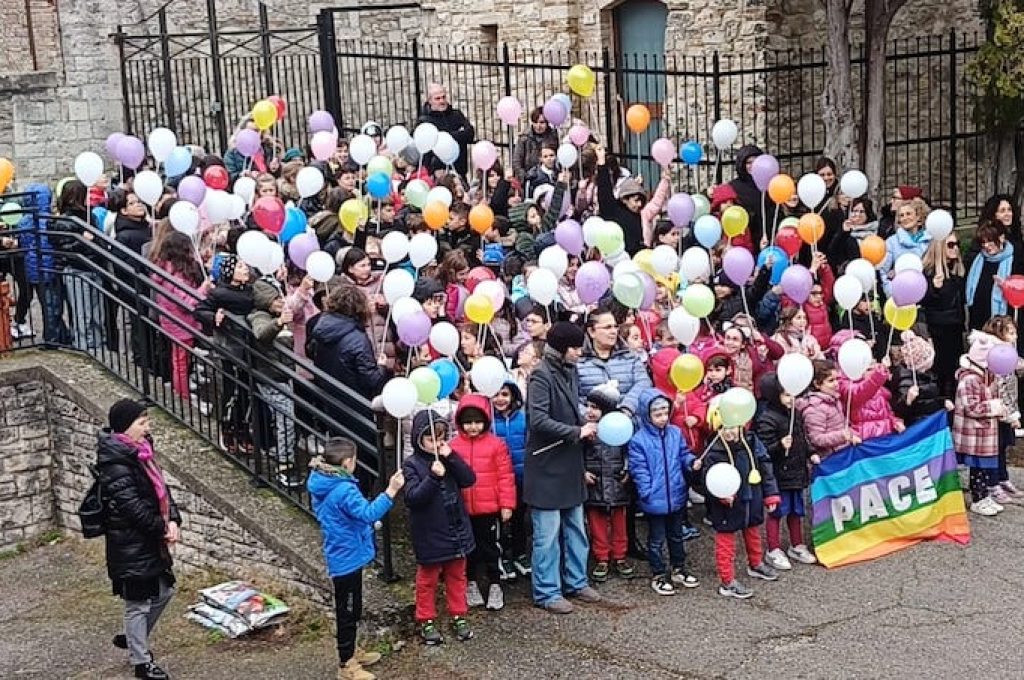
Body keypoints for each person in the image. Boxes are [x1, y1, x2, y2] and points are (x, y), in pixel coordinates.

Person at [97, 399, 180, 680]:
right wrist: (163, 528)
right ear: (125, 427)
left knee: (165, 592)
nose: (148, 427)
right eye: (142, 423)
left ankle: (134, 638)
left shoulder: (142, 452)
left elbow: (162, 491)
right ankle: (141, 663)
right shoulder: (115, 462)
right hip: (130, 545)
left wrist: (173, 520)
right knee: (138, 603)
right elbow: (132, 507)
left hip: (149, 541)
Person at [308, 439, 404, 680]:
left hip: (344, 553)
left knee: (353, 607)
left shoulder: (323, 482)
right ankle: (346, 664)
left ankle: (352, 651)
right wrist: (391, 490)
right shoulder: (344, 489)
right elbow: (368, 513)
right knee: (347, 612)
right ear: (348, 462)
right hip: (346, 557)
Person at [524, 321, 603, 614]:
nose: (580, 352)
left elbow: (570, 411)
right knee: (547, 536)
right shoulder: (540, 376)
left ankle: (576, 580)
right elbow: (539, 421)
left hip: (569, 463)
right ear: (561, 348)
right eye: (575, 347)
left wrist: (585, 423)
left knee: (576, 528)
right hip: (546, 465)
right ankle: (546, 591)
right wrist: (576, 432)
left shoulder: (570, 371)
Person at [402, 410, 477, 644]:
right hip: (429, 532)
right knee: (428, 579)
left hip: (456, 528)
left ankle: (459, 614)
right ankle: (426, 618)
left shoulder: (448, 456)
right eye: (431, 439)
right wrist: (433, 478)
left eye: (441, 437)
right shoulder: (412, 464)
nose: (437, 443)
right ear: (419, 439)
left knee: (457, 575)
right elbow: (413, 498)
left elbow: (468, 479)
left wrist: (452, 456)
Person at [628, 388, 700, 596]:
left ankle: (679, 568)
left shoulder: (675, 433)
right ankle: (658, 573)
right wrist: (646, 492)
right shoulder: (639, 440)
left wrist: (691, 462)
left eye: (665, 413)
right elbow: (639, 470)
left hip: (676, 494)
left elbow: (683, 454)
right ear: (646, 415)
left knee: (676, 536)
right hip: (654, 498)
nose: (662, 418)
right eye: (656, 414)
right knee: (656, 539)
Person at [449, 394, 517, 612]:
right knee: (467, 549)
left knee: (491, 548)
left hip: (489, 509)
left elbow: (505, 476)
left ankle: (495, 584)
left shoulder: (496, 445)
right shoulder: (452, 446)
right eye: (468, 422)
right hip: (462, 509)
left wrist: (507, 504)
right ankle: (470, 583)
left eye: (477, 422)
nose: (473, 427)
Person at [702, 417, 780, 600]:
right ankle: (727, 581)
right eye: (723, 428)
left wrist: (771, 494)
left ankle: (756, 564)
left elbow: (765, 467)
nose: (729, 432)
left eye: (732, 427)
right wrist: (720, 495)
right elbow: (706, 479)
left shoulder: (752, 442)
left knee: (753, 531)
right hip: (726, 504)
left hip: (751, 496)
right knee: (726, 541)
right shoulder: (713, 452)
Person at [756, 373, 816, 571]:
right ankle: (773, 549)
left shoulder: (795, 415)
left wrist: (811, 453)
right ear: (775, 395)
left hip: (796, 471)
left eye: (793, 395)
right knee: (776, 512)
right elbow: (763, 450)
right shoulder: (767, 419)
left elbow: (802, 439)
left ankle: (796, 545)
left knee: (796, 511)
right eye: (786, 395)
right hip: (778, 475)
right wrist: (780, 445)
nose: (791, 399)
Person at [583, 381, 635, 583]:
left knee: (619, 523)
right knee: (597, 524)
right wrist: (583, 472)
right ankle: (602, 557)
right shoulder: (586, 431)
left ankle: (620, 556)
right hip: (595, 484)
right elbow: (577, 454)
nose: (590, 411)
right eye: (588, 406)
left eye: (595, 408)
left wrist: (628, 470)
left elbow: (629, 451)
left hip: (617, 483)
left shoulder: (619, 427)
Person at [953, 331, 1008, 516]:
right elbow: (972, 407)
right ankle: (977, 498)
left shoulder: (985, 377)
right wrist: (993, 407)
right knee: (977, 467)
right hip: (974, 435)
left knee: (984, 467)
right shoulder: (969, 379)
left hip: (984, 435)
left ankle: (984, 495)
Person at [307, 284, 392, 400]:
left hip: (328, 398)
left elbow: (312, 353)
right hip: (355, 402)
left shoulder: (320, 328)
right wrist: (382, 367)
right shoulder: (358, 339)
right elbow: (372, 381)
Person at [577, 305, 653, 415]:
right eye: (608, 327)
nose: (613, 331)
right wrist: (589, 414)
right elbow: (572, 397)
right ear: (591, 331)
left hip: (629, 420)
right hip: (591, 425)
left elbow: (643, 383)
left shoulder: (630, 357)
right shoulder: (578, 362)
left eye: (615, 327)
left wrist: (626, 408)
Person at [980, 316, 1024, 504]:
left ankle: (1003, 477)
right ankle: (993, 482)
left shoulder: (1009, 351)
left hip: (1008, 406)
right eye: (1011, 333)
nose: (1015, 336)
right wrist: (1011, 414)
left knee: (1004, 445)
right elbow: (1002, 387)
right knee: (995, 447)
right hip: (1000, 409)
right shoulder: (996, 356)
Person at [491, 380, 530, 580]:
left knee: (519, 518)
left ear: (513, 396)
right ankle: (502, 556)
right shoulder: (488, 420)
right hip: (497, 479)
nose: (500, 399)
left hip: (521, 476)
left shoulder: (523, 418)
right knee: (499, 520)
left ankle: (519, 554)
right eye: (496, 394)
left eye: (504, 394)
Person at [921, 234, 966, 397]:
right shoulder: (929, 273)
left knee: (955, 371)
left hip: (955, 328)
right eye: (950, 244)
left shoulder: (957, 272)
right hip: (938, 330)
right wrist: (934, 288)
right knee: (941, 372)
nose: (955, 248)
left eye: (957, 244)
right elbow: (922, 302)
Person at [799, 359, 860, 459]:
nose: (836, 384)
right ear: (817, 384)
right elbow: (816, 438)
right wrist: (841, 436)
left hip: (843, 452)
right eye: (831, 381)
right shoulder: (814, 408)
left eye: (837, 379)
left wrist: (851, 435)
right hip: (830, 459)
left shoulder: (833, 400)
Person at [966, 222, 1017, 332]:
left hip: (1001, 322)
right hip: (978, 320)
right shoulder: (979, 259)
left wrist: (1005, 286)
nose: (986, 246)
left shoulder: (1015, 261)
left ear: (1001, 238)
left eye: (989, 241)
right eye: (983, 242)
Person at [418, 83, 475, 177]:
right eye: (437, 98)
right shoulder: (424, 121)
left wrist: (445, 136)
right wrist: (458, 134)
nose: (442, 101)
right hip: (437, 173)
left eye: (443, 97)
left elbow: (470, 134)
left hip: (459, 170)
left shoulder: (456, 115)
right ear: (429, 100)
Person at [879, 197, 932, 297]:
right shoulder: (891, 242)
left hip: (927, 295)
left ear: (918, 217)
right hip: (901, 296)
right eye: (901, 215)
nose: (905, 218)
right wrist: (891, 291)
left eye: (908, 214)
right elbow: (883, 272)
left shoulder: (930, 241)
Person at [512, 107, 559, 183]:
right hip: (529, 178)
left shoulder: (553, 136)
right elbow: (516, 160)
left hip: (549, 177)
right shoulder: (524, 138)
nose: (538, 126)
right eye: (535, 122)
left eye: (542, 122)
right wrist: (524, 176)